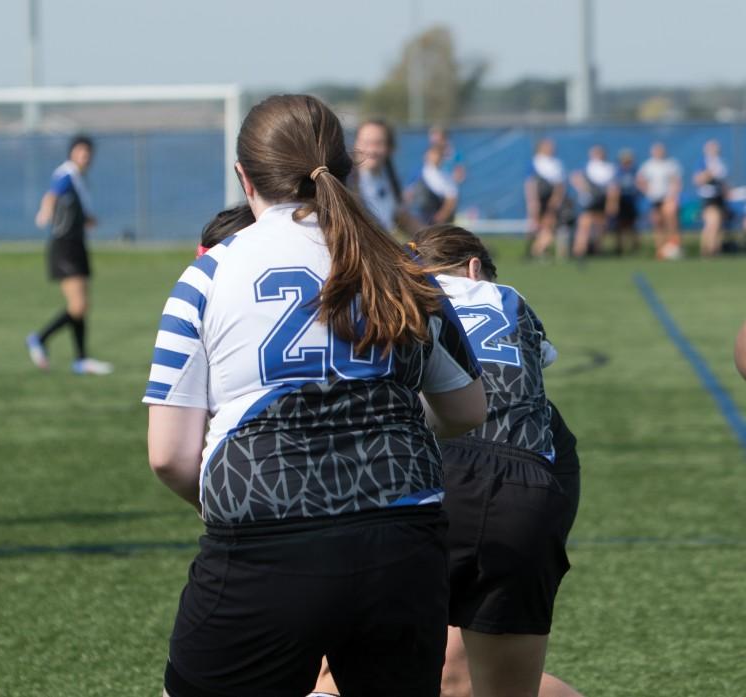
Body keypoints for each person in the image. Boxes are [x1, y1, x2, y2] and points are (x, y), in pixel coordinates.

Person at [144, 94, 486, 697]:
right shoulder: (402, 265)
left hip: (265, 535)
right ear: (348, 168)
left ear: (243, 177)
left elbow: (169, 456)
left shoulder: (208, 274)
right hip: (402, 538)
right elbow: (466, 408)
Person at [409, 224, 583, 697]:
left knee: (345, 670)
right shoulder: (505, 296)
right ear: (474, 268)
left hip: (424, 474)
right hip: (523, 484)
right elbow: (531, 365)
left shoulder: (399, 296)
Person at [26, 135, 113, 375]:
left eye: (88, 153)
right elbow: (52, 195)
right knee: (78, 305)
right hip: (64, 247)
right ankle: (39, 339)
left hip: (77, 245)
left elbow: (75, 209)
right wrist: (45, 211)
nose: (84, 157)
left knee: (83, 306)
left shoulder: (79, 180)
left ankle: (81, 359)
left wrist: (88, 219)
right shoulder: (66, 174)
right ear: (72, 154)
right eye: (80, 152)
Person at [351, 118, 415, 235]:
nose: (371, 150)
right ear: (355, 144)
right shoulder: (344, 182)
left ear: (390, 148)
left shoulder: (390, 181)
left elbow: (403, 218)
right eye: (366, 143)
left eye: (378, 143)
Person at [636, 142, 683, 260]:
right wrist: (647, 191)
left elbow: (676, 182)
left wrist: (673, 195)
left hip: (667, 198)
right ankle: (660, 250)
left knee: (670, 218)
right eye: (656, 150)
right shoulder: (648, 165)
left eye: (660, 150)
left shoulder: (671, 164)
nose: (658, 153)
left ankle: (674, 245)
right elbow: (640, 180)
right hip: (654, 198)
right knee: (657, 223)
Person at [570, 145, 618, 258]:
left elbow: (613, 187)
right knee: (584, 224)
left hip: (602, 200)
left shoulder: (609, 168)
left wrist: (612, 203)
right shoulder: (587, 167)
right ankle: (579, 250)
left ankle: (597, 250)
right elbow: (575, 177)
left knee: (600, 225)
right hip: (590, 200)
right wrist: (583, 189)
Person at [524, 139, 567, 259]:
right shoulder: (535, 162)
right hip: (538, 199)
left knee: (549, 225)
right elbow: (530, 183)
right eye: (548, 146)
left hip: (551, 200)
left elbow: (560, 184)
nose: (551, 148)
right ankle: (537, 250)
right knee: (536, 225)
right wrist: (532, 201)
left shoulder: (556, 163)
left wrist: (556, 199)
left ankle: (537, 250)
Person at [408, 144, 459, 227]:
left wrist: (441, 216)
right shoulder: (419, 174)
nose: (436, 157)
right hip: (421, 217)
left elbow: (451, 199)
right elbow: (408, 195)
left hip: (437, 219)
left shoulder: (446, 177)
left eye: (438, 155)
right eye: (433, 154)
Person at [693, 140, 728, 257]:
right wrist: (709, 173)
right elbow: (697, 180)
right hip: (708, 198)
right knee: (712, 224)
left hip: (719, 197)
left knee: (717, 226)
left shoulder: (721, 162)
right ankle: (708, 252)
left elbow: (722, 182)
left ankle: (715, 250)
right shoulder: (703, 162)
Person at [612, 149, 640, 255]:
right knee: (619, 226)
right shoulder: (617, 171)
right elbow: (614, 187)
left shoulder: (635, 171)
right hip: (620, 202)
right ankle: (619, 248)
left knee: (632, 225)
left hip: (631, 201)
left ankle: (634, 248)